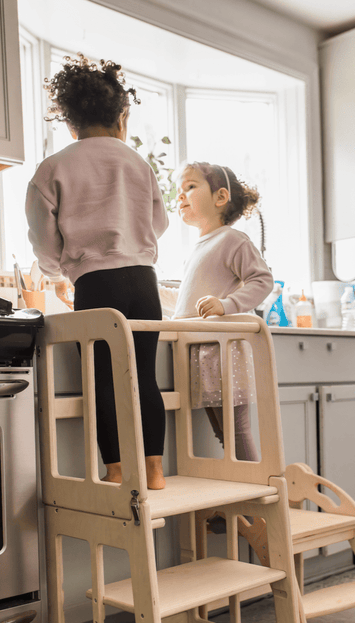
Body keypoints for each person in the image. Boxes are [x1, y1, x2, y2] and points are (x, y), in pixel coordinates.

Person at [25, 54, 168, 489]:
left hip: (97, 284)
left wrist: (61, 269)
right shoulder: (138, 163)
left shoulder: (53, 167)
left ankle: (118, 471)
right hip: (144, 282)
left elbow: (43, 238)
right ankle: (157, 471)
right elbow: (158, 222)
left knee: (103, 378)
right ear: (120, 117)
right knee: (144, 374)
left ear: (69, 122)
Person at [173, 161, 273, 461]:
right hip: (203, 350)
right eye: (179, 190)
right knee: (223, 431)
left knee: (236, 429)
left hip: (224, 351)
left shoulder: (232, 239)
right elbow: (189, 298)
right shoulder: (198, 247)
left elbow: (262, 280)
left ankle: (256, 501)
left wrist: (227, 305)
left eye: (190, 187)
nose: (181, 196)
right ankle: (241, 499)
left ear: (220, 198)